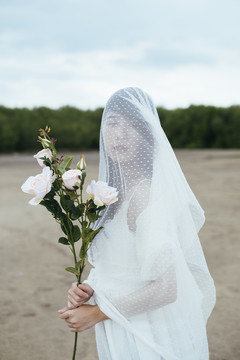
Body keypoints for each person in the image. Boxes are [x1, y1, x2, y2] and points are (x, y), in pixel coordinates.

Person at [58, 87, 216, 360]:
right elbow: (120, 263)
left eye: (133, 125)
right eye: (113, 122)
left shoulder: (146, 196)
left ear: (148, 134)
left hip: (149, 332)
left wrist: (95, 314)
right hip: (123, 323)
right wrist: (89, 288)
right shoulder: (111, 193)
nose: (120, 133)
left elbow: (166, 288)